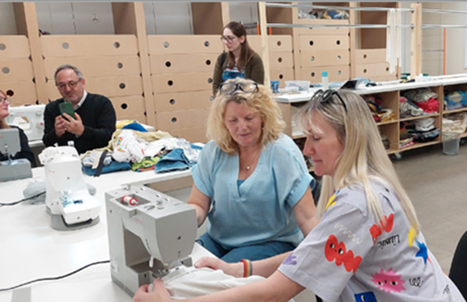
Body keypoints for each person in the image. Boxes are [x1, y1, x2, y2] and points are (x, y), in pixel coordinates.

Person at [134, 89, 465, 302]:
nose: (306, 150)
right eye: (233, 120)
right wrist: (242, 270)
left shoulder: (357, 203)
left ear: (348, 140)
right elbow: (318, 250)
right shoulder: (366, 185)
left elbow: (277, 290)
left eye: (315, 139)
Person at [188, 77, 318, 263]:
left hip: (271, 242)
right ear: (223, 122)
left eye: (250, 118)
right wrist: (182, 222)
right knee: (181, 269)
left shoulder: (282, 153)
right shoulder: (213, 152)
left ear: (264, 116)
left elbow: (308, 217)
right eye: (233, 120)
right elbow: (199, 204)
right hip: (220, 240)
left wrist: (324, 256)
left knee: (215, 278)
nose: (242, 127)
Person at [42, 64, 116, 154]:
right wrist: (56, 133)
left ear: (83, 83)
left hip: (98, 159)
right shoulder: (52, 108)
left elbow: (109, 137)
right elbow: (46, 141)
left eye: (72, 84)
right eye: (62, 85)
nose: (68, 89)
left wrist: (82, 131)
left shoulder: (101, 103)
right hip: (66, 159)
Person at [212, 21, 264, 96]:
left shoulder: (254, 60)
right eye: (224, 38)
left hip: (246, 104)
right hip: (225, 104)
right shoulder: (222, 59)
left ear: (242, 39)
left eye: (230, 38)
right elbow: (216, 86)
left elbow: (257, 89)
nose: (226, 42)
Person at [0, 90, 36, 167]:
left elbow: (30, 163)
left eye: (5, 100)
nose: (6, 103)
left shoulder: (16, 132)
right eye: (0, 100)